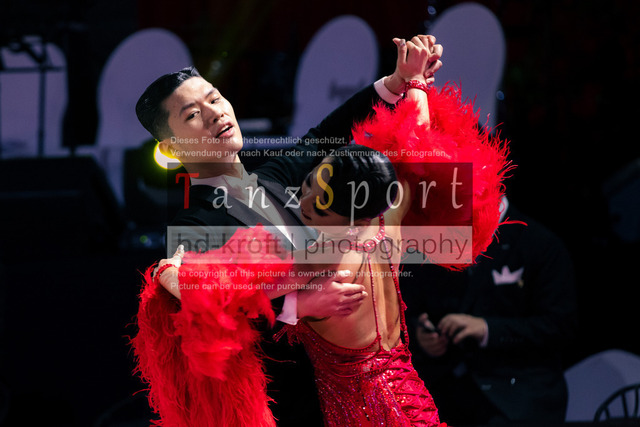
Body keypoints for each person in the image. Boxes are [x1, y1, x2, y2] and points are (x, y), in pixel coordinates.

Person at [132, 35, 444, 427]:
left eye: (215, 98)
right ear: (171, 148)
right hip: (292, 405)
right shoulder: (192, 226)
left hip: (359, 383)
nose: (214, 114)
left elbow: (328, 132)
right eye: (193, 114)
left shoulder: (277, 174)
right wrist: (296, 308)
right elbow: (211, 316)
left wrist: (397, 82)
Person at [401, 196, 578, 425]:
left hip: (518, 396)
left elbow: (559, 326)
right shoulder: (440, 239)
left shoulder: (540, 244)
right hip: (446, 392)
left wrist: (487, 329)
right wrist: (422, 333)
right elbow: (411, 306)